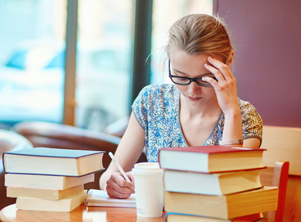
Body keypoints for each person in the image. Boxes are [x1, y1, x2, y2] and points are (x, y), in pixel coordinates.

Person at [99, 14, 263, 199]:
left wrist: (231, 112)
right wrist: (113, 184)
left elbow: (233, 187)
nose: (192, 90)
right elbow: (108, 175)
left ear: (229, 61)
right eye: (181, 76)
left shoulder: (245, 117)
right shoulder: (151, 101)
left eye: (204, 78)